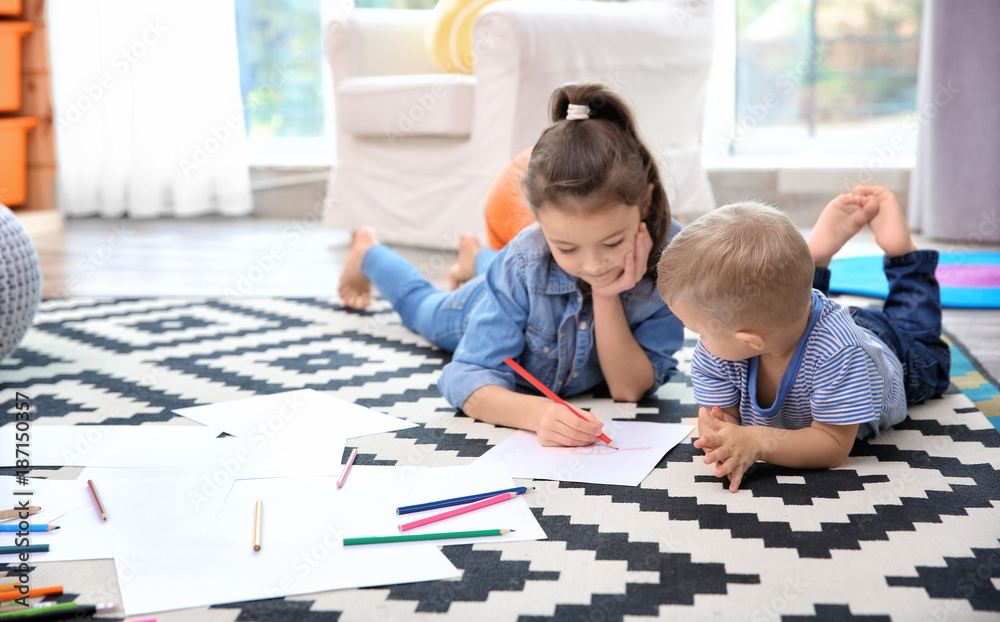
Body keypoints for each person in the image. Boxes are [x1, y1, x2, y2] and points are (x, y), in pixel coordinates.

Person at [338, 82, 685, 447]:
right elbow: (465, 378)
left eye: (613, 242)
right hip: (483, 301)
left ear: (645, 203)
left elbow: (629, 390)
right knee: (420, 307)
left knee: (520, 269)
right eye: (566, 247)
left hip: (515, 279)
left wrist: (605, 294)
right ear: (537, 222)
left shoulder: (673, 258)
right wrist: (538, 415)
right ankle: (367, 251)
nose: (594, 263)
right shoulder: (525, 259)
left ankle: (476, 259)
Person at [656, 185, 951, 492]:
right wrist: (720, 437)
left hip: (892, 353)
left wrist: (758, 442)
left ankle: (905, 257)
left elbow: (833, 445)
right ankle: (816, 259)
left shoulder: (838, 354)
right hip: (800, 319)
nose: (698, 342)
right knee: (780, 299)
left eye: (700, 331)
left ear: (750, 340)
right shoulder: (720, 349)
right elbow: (716, 415)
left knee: (925, 346)